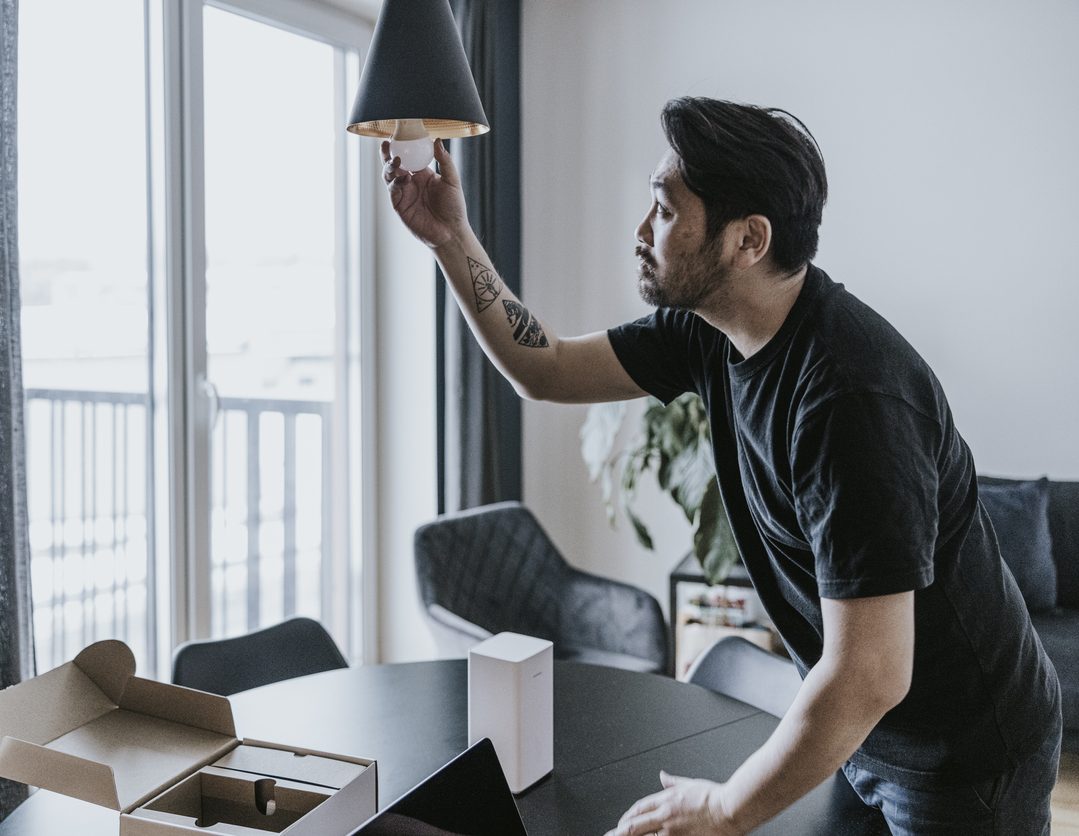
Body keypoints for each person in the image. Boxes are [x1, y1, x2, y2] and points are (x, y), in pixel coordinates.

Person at [380, 96, 1063, 836]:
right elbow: (543, 367)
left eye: (664, 212)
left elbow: (869, 674)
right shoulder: (708, 330)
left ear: (747, 240)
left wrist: (725, 807)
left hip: (962, 756)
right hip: (863, 741)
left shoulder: (849, 395)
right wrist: (449, 237)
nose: (641, 232)